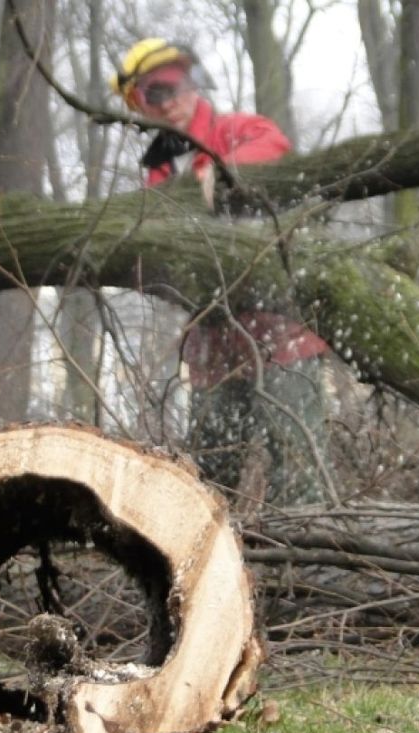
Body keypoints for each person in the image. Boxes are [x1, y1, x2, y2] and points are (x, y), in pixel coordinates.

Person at [110, 38, 330, 504]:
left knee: (297, 470)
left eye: (177, 86)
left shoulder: (235, 131)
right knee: (210, 478)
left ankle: (311, 564)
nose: (171, 101)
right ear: (140, 104)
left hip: (279, 333)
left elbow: (276, 145)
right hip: (211, 347)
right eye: (155, 94)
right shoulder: (157, 175)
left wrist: (226, 173)